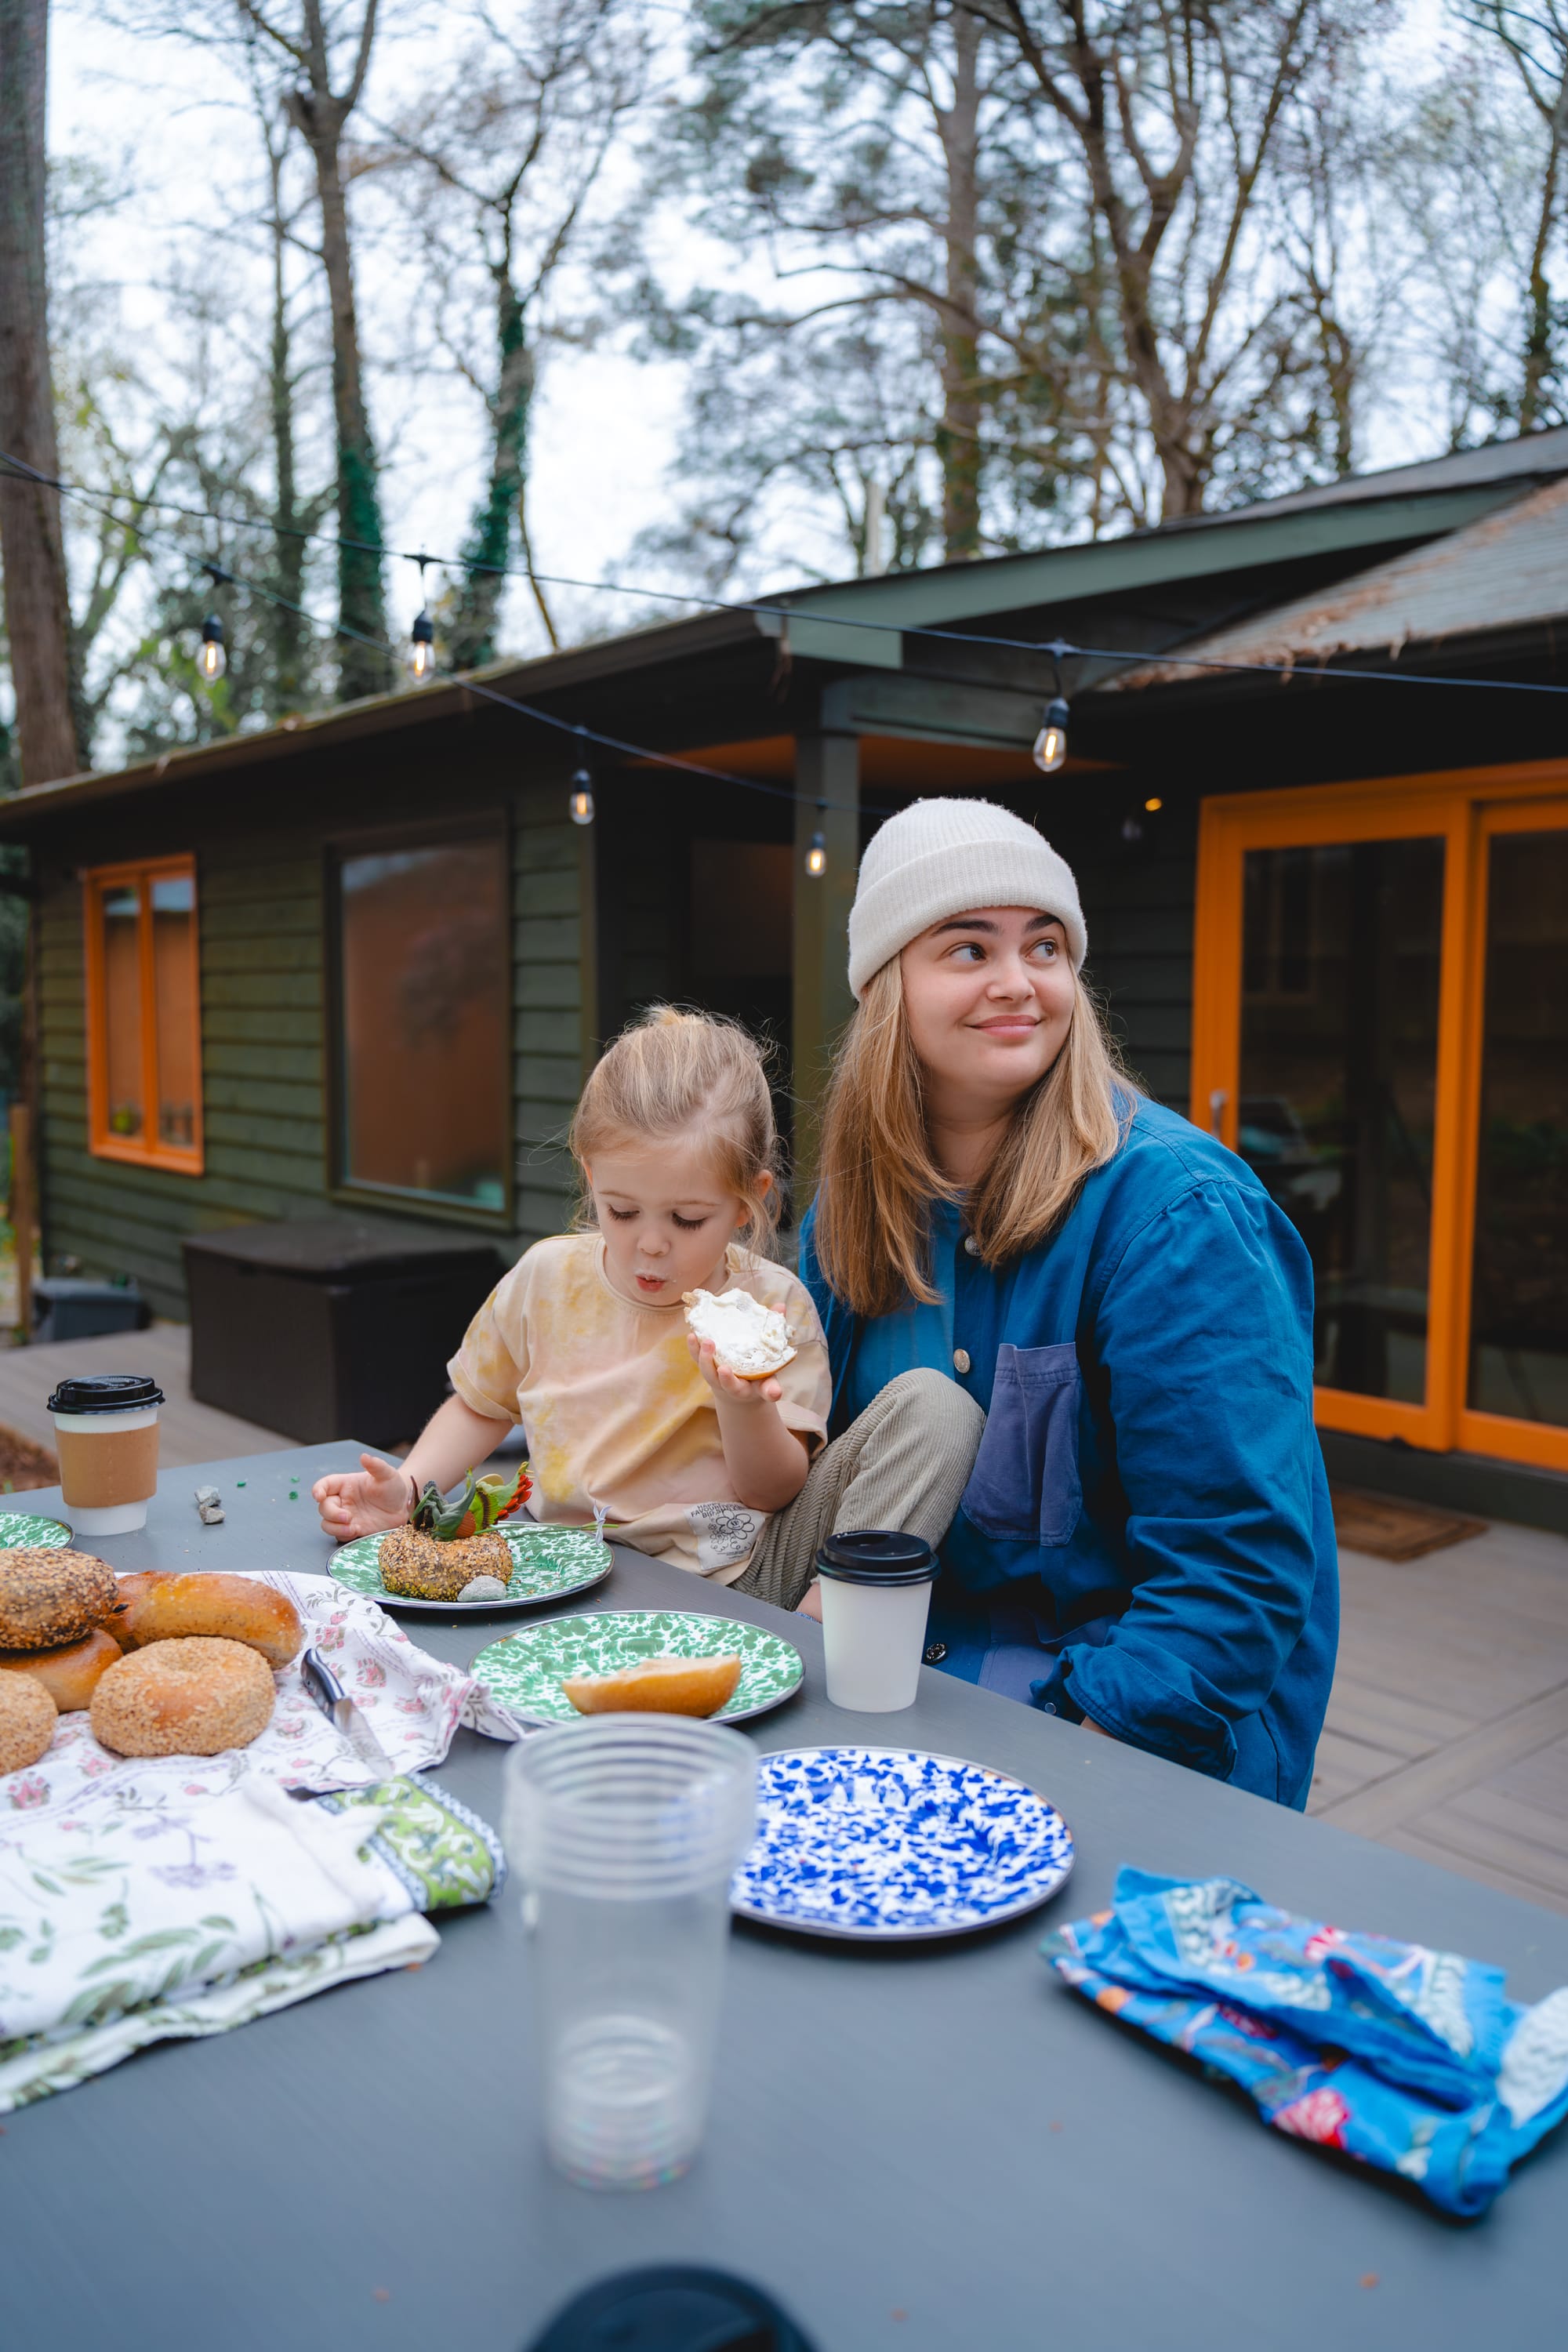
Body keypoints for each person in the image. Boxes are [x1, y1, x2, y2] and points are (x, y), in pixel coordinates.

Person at [771, 797, 1338, 1808]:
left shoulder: (1177, 1216)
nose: (1017, 981)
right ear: (887, 984)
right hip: (887, 1681)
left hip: (1107, 1724)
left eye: (1043, 945)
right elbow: (805, 1479)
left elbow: (1230, 1577)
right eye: (967, 948)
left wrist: (1060, 1777)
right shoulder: (848, 1215)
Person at [312, 1007, 982, 1595]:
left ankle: (826, 1625)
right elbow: (480, 1405)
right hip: (565, 1563)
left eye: (688, 1219)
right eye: (623, 1211)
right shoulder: (547, 1277)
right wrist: (408, 1490)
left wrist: (743, 1403)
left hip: (739, 1574)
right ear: (591, 1178)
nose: (651, 1245)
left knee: (937, 1409)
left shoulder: (770, 1306)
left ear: (748, 1200)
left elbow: (772, 1492)